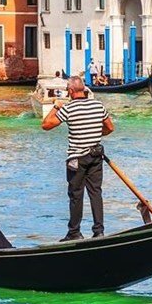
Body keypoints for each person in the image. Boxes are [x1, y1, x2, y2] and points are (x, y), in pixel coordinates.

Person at [41, 76, 113, 241]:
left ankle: (74, 233)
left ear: (71, 91)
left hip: (77, 159)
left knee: (76, 195)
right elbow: (110, 127)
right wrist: (95, 134)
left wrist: (55, 107)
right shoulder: (98, 105)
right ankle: (99, 231)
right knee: (96, 193)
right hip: (96, 155)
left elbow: (46, 125)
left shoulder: (69, 108)